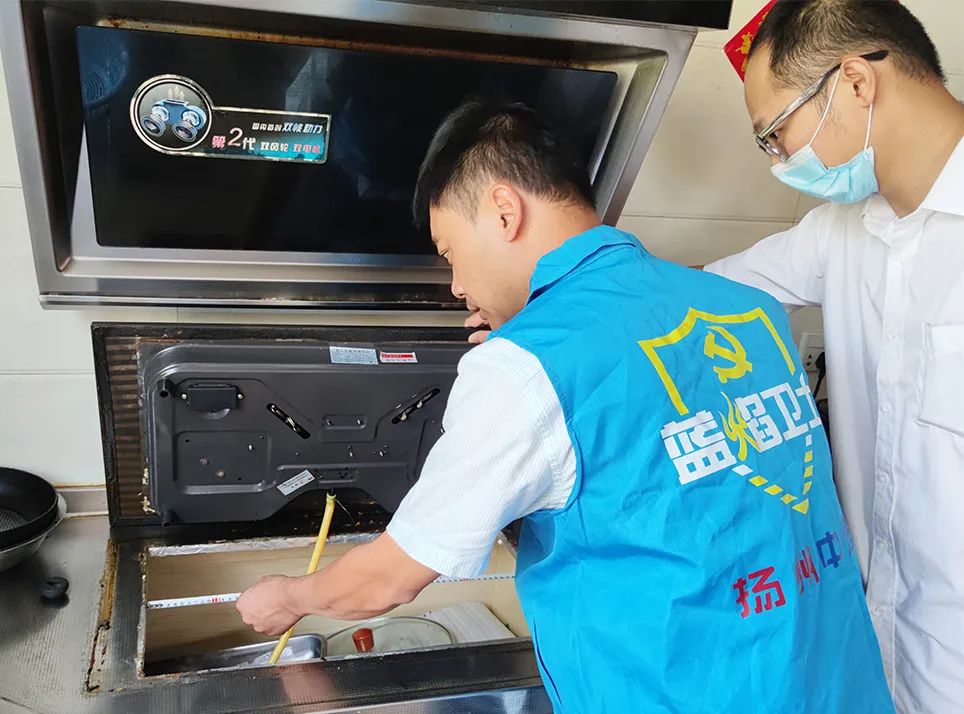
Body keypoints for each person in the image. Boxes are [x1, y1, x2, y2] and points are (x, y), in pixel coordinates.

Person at [237, 100, 894, 713]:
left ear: (503, 211)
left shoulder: (522, 368)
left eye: (450, 253)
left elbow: (389, 579)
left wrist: (289, 599)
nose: (458, 285)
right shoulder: (746, 309)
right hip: (834, 683)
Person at [699, 2, 964, 712]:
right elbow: (691, 300)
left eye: (777, 132)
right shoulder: (838, 233)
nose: (780, 161)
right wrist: (545, 304)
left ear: (855, 82)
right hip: (878, 655)